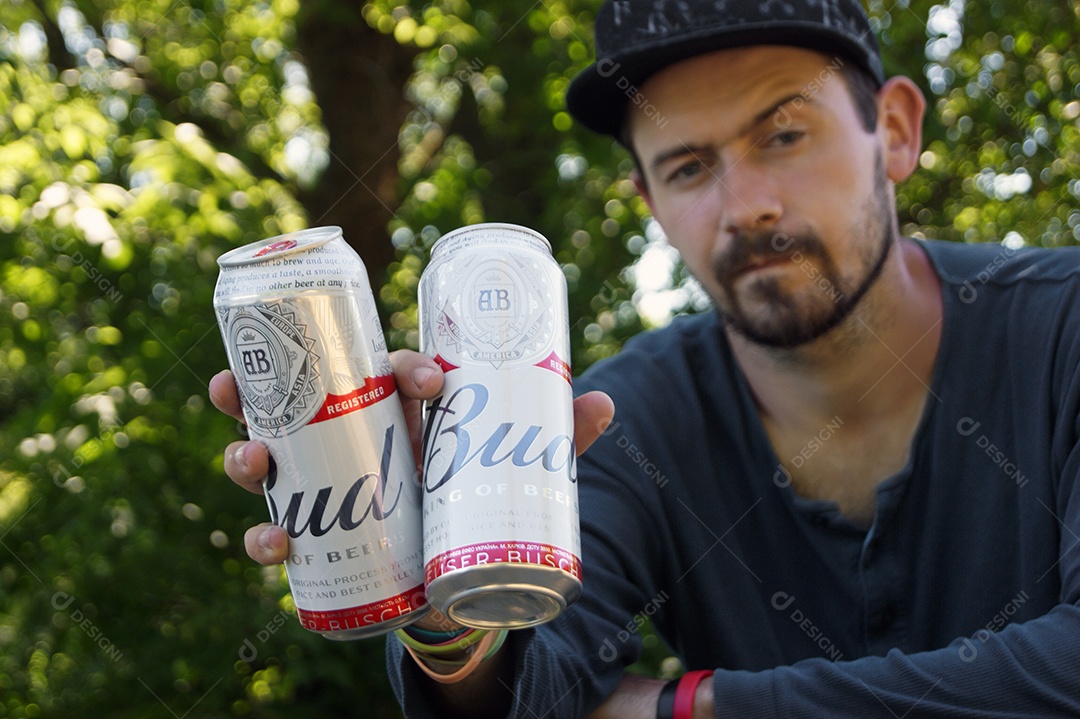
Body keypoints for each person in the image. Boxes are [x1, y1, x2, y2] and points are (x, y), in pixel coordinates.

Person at [210, 0, 1080, 716]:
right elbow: (530, 688)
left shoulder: (1063, 329)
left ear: (893, 130)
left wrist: (684, 705)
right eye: (690, 167)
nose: (745, 205)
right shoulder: (629, 416)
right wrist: (436, 574)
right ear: (652, 202)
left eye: (784, 135)